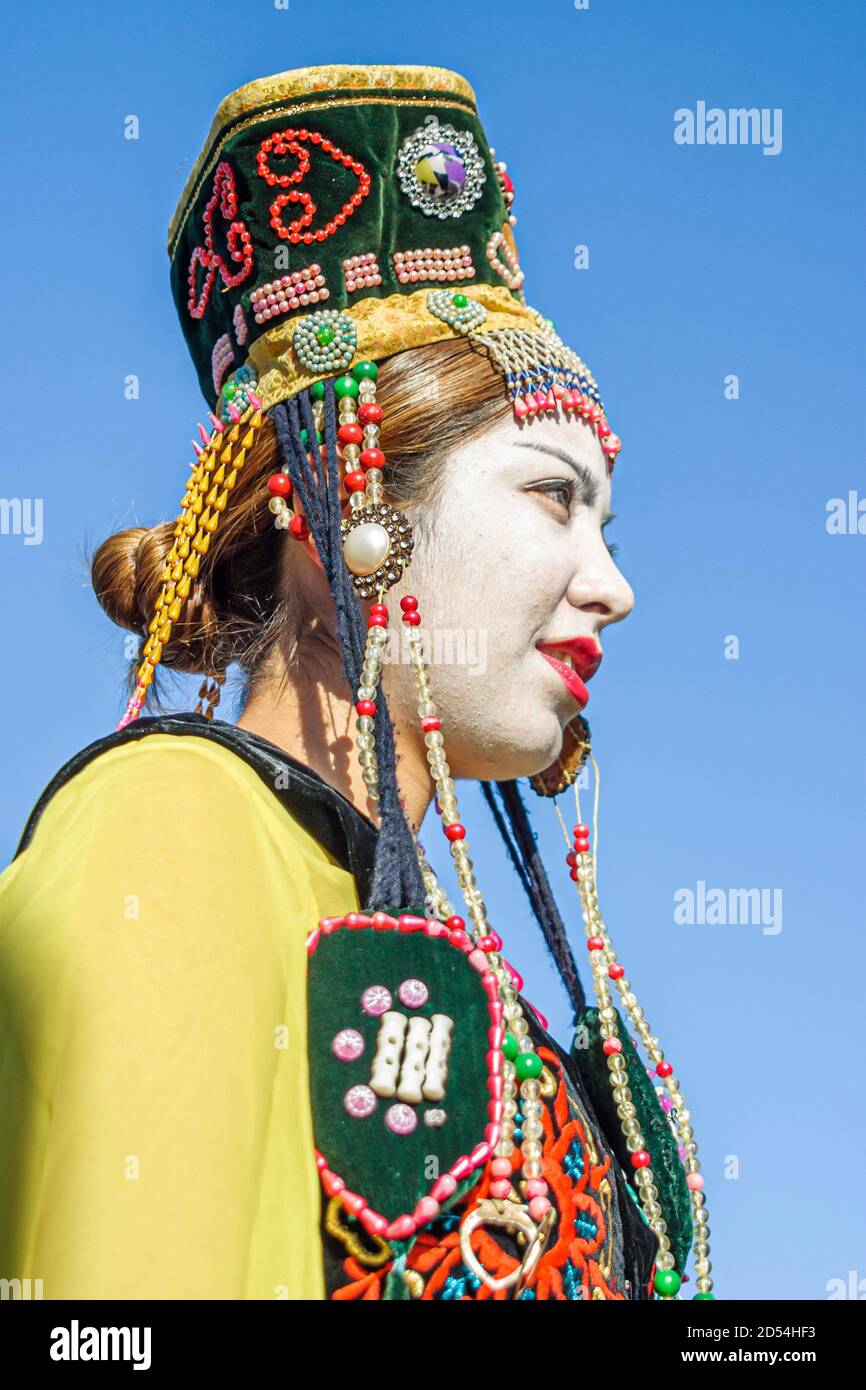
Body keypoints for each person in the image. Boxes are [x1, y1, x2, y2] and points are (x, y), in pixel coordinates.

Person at [0, 62, 712, 1301]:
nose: (611, 587)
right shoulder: (172, 825)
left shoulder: (423, 945)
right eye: (552, 496)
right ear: (339, 503)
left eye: (606, 527)